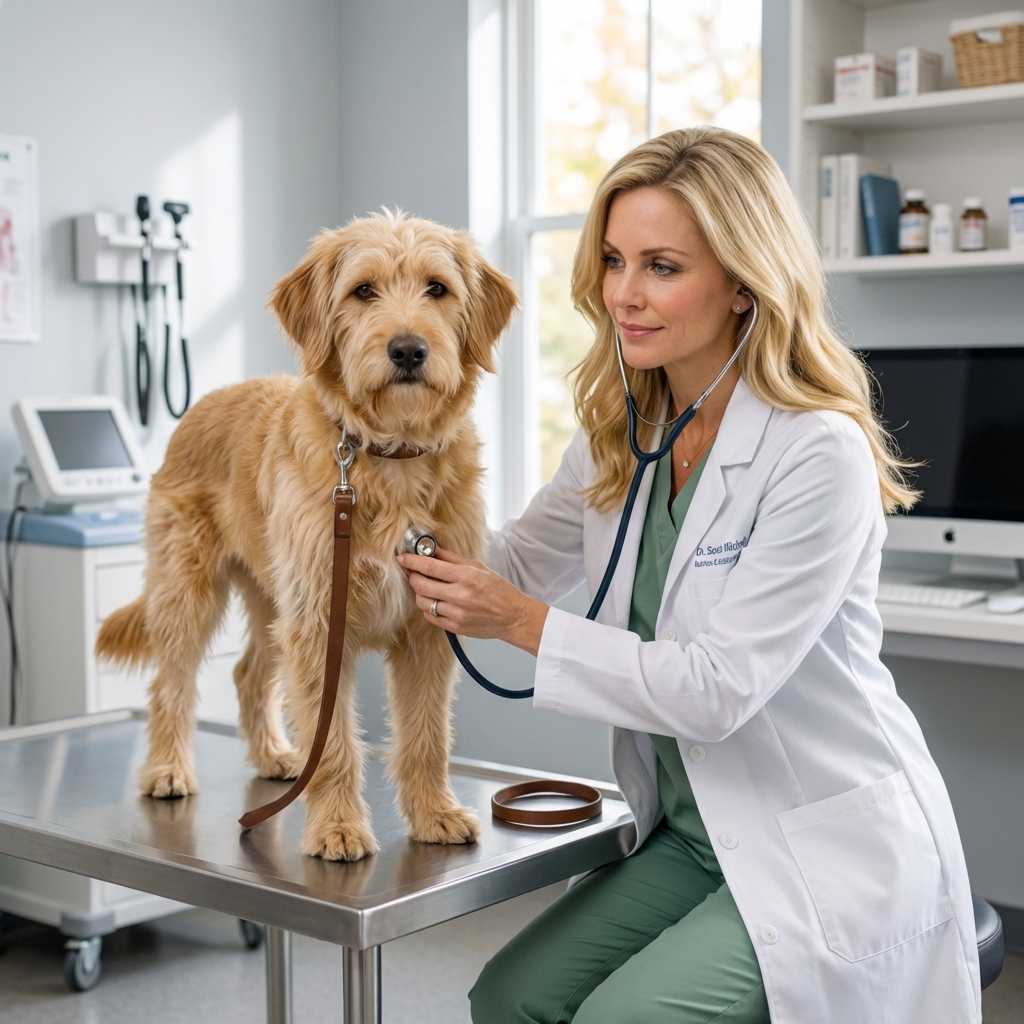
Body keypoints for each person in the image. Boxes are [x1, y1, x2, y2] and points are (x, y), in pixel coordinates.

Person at [397, 127, 979, 1024]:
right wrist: (393, 476)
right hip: (697, 833)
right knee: (509, 1000)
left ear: (744, 281)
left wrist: (519, 621)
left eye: (662, 266)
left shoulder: (814, 452)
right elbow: (504, 564)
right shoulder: (622, 435)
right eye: (614, 261)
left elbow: (715, 690)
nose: (623, 295)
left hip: (822, 841)